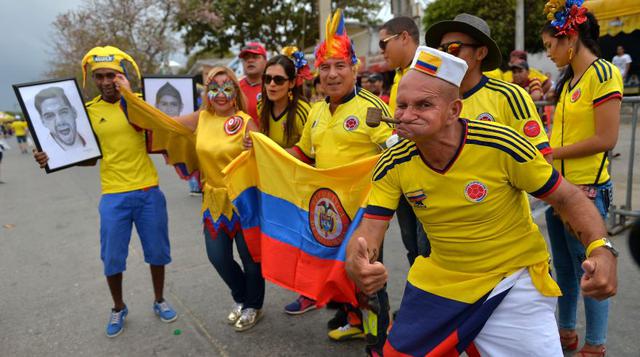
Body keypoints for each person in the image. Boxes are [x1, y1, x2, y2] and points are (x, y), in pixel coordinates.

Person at [346, 45, 618, 356]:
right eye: (402, 105)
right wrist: (358, 258)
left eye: (423, 105)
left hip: (511, 281)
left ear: (454, 111)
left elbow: (568, 197)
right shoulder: (393, 161)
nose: (407, 116)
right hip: (441, 280)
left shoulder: (502, 145)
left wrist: (602, 248)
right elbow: (370, 231)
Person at [33, 46, 177, 338]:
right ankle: (118, 306)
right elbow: (87, 155)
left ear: (121, 76)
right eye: (99, 76)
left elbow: (168, 134)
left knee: (157, 252)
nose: (105, 81)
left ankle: (159, 300)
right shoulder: (89, 112)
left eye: (111, 75)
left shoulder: (140, 104)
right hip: (113, 195)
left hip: (149, 190)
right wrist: (52, 155)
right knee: (112, 257)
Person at [116, 66, 265, 332]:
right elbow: (163, 122)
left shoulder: (246, 120)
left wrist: (254, 147)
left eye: (227, 87)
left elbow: (266, 158)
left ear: (235, 91)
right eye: (214, 88)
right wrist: (129, 96)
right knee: (217, 256)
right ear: (207, 92)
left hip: (245, 200)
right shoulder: (201, 118)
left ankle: (253, 305)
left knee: (250, 259)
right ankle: (243, 298)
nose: (221, 94)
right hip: (214, 200)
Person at [287, 9, 394, 355]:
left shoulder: (372, 109)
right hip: (329, 213)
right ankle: (354, 321)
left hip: (367, 212)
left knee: (366, 273)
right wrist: (262, 151)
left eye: (339, 66)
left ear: (354, 68)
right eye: (325, 68)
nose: (332, 75)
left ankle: (379, 341)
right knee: (339, 270)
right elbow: (303, 154)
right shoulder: (316, 111)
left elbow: (396, 154)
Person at [542, 1, 623, 354]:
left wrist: (551, 154)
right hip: (560, 190)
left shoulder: (603, 74)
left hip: (587, 190)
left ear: (570, 38)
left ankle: (596, 343)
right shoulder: (570, 79)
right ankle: (566, 331)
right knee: (565, 268)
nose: (548, 54)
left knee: (591, 270)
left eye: (549, 46)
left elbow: (606, 139)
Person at [425, 14, 553, 163]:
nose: (446, 56)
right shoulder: (435, 100)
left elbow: (542, 159)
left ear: (480, 53)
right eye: (442, 49)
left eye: (453, 48)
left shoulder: (509, 97)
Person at [378, 16, 430, 272]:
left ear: (404, 38)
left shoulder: (429, 70)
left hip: (427, 174)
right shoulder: (400, 74)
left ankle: (433, 308)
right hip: (402, 172)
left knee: (427, 248)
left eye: (383, 43)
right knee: (412, 246)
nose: (382, 51)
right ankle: (419, 303)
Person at [34, 87, 87, 151]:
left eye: (63, 112)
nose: (60, 121)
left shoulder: (92, 139)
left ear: (74, 112)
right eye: (50, 116)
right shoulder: (46, 152)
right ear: (43, 121)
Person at [239, 42, 268, 122]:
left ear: (266, 61)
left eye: (255, 57)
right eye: (246, 58)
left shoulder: (274, 86)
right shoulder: (235, 88)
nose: (250, 60)